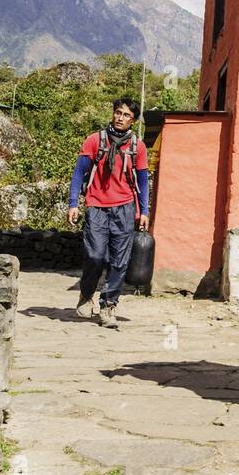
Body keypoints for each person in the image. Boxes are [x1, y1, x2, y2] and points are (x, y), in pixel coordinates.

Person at [68, 98, 150, 328]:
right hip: (96, 205)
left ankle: (108, 306)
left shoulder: (137, 147)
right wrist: (73, 203)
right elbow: (78, 173)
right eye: (118, 113)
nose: (120, 118)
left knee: (119, 261)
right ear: (113, 114)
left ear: (133, 121)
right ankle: (86, 294)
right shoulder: (95, 140)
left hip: (125, 208)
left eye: (126, 115)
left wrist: (144, 210)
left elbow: (143, 181)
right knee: (94, 256)